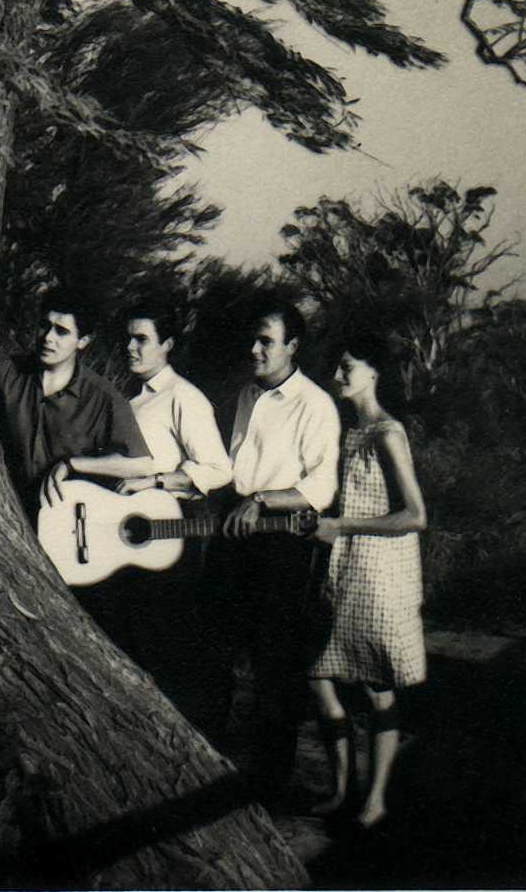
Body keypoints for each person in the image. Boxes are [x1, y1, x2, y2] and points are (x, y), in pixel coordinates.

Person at [210, 300, 340, 802]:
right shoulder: (247, 394)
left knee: (275, 666)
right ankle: (222, 765)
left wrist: (260, 501)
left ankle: (270, 782)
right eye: (253, 339)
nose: (255, 349)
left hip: (281, 540)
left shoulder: (315, 404)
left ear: (292, 346)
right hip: (235, 532)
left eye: (267, 340)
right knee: (221, 649)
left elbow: (320, 488)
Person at [306, 332, 428, 830]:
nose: (338, 376)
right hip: (348, 567)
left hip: (383, 573)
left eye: (348, 366)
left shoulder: (387, 432)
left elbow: (416, 515)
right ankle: (341, 791)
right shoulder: (351, 432)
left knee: (378, 688)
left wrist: (343, 527)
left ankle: (374, 799)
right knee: (319, 675)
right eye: (338, 367)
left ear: (374, 374)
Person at [100, 302, 232, 727]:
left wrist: (155, 482)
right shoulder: (130, 398)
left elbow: (217, 468)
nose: (131, 347)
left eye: (142, 339)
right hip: (132, 539)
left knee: (167, 642)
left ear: (168, 345)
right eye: (128, 338)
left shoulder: (184, 399)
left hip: (173, 533)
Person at [0, 291, 151, 516]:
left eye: (62, 332)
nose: (48, 337)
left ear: (82, 341)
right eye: (44, 325)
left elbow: (141, 464)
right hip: (4, 511)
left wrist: (72, 464)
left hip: (66, 521)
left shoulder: (103, 397)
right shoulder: (8, 371)